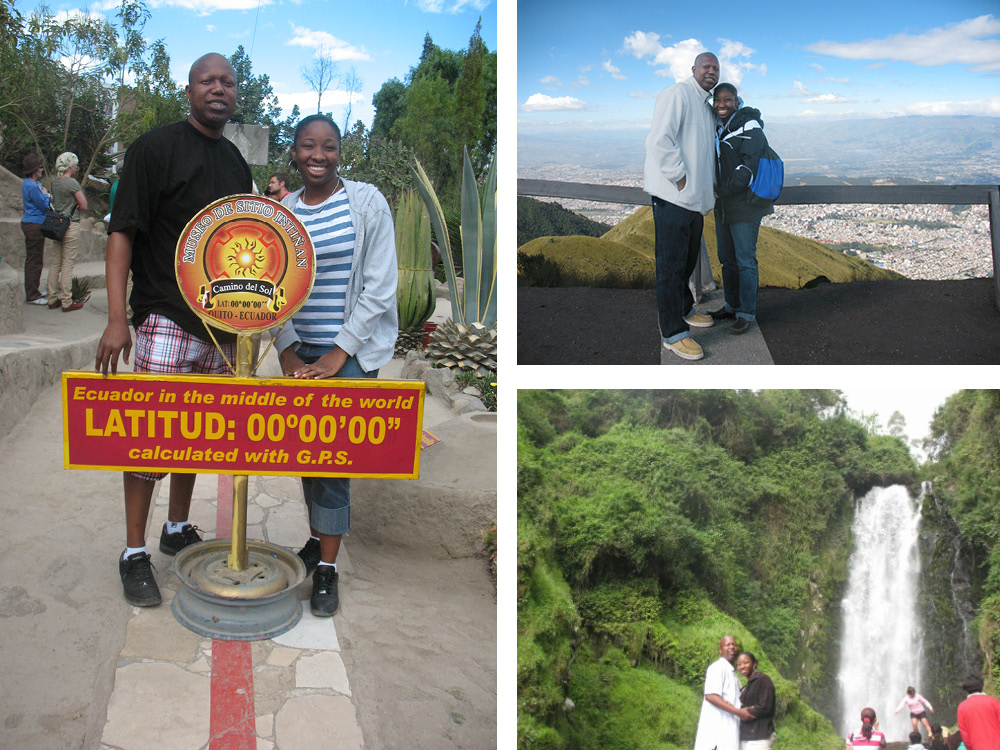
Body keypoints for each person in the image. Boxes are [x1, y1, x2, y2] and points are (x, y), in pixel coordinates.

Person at [95, 52, 253, 607]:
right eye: (206, 81)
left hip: (223, 326)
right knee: (149, 439)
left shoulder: (236, 161)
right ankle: (134, 551)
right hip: (165, 313)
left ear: (237, 93)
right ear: (188, 91)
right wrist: (119, 318)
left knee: (195, 434)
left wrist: (247, 325)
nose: (217, 89)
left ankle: (175, 527)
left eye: (227, 82)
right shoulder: (154, 148)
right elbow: (123, 234)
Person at [274, 113, 397, 617]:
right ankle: (317, 540)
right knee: (308, 455)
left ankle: (327, 569)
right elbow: (272, 283)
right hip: (300, 353)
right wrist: (285, 346)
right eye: (307, 145)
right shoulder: (283, 211)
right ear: (295, 153)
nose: (317, 155)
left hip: (347, 356)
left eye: (327, 145)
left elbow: (380, 285)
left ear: (340, 151)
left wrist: (338, 353)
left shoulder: (366, 203)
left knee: (332, 460)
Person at [643, 51, 719, 361]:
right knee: (671, 267)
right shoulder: (678, 94)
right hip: (674, 197)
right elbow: (660, 140)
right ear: (694, 69)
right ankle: (673, 334)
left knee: (687, 262)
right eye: (706, 66)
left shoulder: (705, 106)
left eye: (715, 67)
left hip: (694, 202)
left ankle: (685, 309)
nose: (711, 71)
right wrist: (680, 177)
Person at [708, 82, 775, 335]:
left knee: (745, 260)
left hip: (745, 205)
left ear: (737, 101)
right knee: (728, 260)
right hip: (724, 206)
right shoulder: (719, 127)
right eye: (718, 100)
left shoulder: (750, 126)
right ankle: (731, 305)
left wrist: (721, 190)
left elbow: (749, 169)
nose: (722, 104)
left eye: (728, 100)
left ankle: (746, 313)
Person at [46, 151, 89, 312]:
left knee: (55, 261)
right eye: (75, 164)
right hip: (71, 225)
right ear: (71, 165)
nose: (77, 167)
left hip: (57, 225)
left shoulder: (55, 182)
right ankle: (66, 300)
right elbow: (84, 205)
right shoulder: (72, 183)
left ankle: (51, 298)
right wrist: (78, 205)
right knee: (68, 264)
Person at [694, 635, 744, 750]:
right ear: (720, 650)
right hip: (717, 739)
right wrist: (738, 712)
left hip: (729, 736)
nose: (732, 647)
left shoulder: (734, 675)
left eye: (734, 644)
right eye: (727, 644)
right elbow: (710, 695)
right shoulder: (717, 667)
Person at [20, 154, 50, 305]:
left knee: (34, 259)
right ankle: (32, 295)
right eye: (39, 167)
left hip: (31, 223)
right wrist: (46, 195)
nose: (41, 169)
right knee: (34, 260)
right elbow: (43, 206)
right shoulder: (32, 186)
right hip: (34, 224)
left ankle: (34, 290)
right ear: (34, 170)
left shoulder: (29, 183)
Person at [736, 651, 775, 750]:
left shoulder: (763, 680)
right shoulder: (747, 686)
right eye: (739, 664)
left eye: (746, 663)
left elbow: (766, 707)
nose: (742, 666)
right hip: (746, 736)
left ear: (754, 664)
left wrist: (744, 711)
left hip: (759, 737)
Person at [957, 675, 1000, 750]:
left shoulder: (962, 707)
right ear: (982, 686)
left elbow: (964, 734)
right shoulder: (993, 701)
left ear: (966, 689)